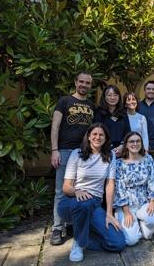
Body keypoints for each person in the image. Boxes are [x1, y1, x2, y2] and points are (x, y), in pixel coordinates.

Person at [58, 123, 125, 262]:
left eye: (101, 135)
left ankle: (83, 234)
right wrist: (77, 191)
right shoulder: (77, 154)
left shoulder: (110, 155)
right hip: (71, 202)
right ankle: (79, 242)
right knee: (84, 203)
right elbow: (66, 187)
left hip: (94, 204)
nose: (97, 137)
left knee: (118, 243)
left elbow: (110, 184)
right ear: (88, 136)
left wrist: (109, 213)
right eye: (94, 134)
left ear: (106, 138)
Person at [50, 71, 96, 245]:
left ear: (91, 85)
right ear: (76, 82)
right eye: (81, 82)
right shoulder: (64, 101)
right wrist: (54, 150)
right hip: (64, 151)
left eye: (87, 83)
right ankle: (57, 228)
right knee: (61, 190)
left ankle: (71, 223)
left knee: (80, 188)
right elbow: (55, 126)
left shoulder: (91, 105)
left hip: (84, 153)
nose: (84, 85)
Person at [113, 132, 154, 245]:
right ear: (126, 144)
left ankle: (142, 222)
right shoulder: (119, 164)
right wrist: (127, 212)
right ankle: (130, 221)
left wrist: (153, 202)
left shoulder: (148, 159)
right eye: (132, 141)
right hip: (126, 205)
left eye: (138, 141)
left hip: (144, 202)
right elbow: (119, 189)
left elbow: (153, 180)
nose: (135, 144)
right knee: (131, 241)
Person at [96, 85, 130, 155]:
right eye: (109, 95)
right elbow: (95, 132)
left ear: (119, 97)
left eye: (115, 95)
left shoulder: (123, 113)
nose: (112, 98)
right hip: (102, 151)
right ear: (104, 97)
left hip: (120, 152)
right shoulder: (98, 112)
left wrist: (122, 146)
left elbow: (127, 132)